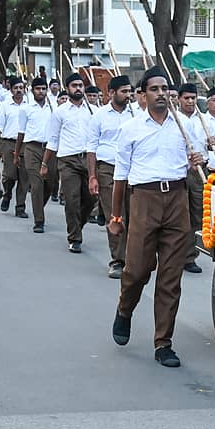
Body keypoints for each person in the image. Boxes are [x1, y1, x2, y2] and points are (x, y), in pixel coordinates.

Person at [110, 66, 204, 368]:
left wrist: (198, 160)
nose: (162, 94)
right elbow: (121, 177)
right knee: (136, 270)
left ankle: (163, 342)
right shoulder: (131, 129)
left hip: (177, 201)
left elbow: (197, 162)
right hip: (144, 201)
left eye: (166, 89)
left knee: (170, 277)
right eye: (155, 89)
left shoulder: (183, 127)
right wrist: (116, 215)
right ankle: (125, 310)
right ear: (142, 95)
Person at [86, 75, 134, 278]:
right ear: (111, 93)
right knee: (115, 214)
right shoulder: (99, 116)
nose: (128, 95)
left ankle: (132, 259)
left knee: (133, 215)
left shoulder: (135, 115)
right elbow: (91, 147)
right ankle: (117, 260)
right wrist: (92, 176)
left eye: (130, 91)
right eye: (124, 91)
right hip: (107, 170)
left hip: (132, 171)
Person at [43, 73, 97, 253]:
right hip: (68, 160)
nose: (78, 89)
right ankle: (74, 237)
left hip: (89, 159)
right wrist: (45, 163)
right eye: (74, 85)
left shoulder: (94, 111)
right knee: (72, 199)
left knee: (90, 199)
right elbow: (53, 140)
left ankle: (77, 226)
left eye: (81, 85)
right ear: (67, 88)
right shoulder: (60, 112)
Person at [177, 83, 213, 274]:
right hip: (181, 171)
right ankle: (175, 252)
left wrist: (210, 143)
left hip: (201, 171)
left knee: (198, 213)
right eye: (186, 98)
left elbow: (209, 144)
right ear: (179, 99)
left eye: (193, 98)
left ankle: (190, 256)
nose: (190, 101)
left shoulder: (204, 120)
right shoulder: (174, 119)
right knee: (180, 214)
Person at [17, 77, 57, 234]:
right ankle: (39, 220)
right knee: (37, 183)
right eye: (38, 89)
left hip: (51, 149)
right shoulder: (26, 109)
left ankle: (39, 206)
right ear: (32, 90)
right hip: (32, 148)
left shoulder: (54, 108)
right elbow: (21, 132)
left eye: (43, 89)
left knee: (50, 184)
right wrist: (17, 152)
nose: (41, 91)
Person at [0, 77, 29, 217]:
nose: (19, 90)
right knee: (9, 175)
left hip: (26, 144)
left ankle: (20, 207)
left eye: (21, 87)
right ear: (11, 90)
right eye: (16, 88)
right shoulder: (5, 106)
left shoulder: (29, 105)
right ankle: (7, 194)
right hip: (9, 143)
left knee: (24, 178)